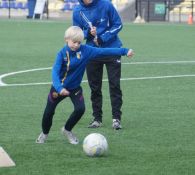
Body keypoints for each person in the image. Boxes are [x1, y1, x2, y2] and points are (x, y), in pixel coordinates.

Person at [36, 26, 133, 145]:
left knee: (80, 109)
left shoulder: (86, 50)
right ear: (66, 39)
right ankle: (44, 133)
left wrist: (124, 51)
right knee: (48, 112)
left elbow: (104, 51)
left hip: (75, 88)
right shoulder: (61, 54)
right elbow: (55, 72)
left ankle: (67, 130)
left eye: (79, 42)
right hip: (58, 88)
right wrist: (60, 88)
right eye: (74, 42)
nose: (76, 45)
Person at [72, 0, 125, 130]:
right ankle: (97, 119)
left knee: (114, 85)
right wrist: (87, 34)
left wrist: (103, 37)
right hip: (91, 52)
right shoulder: (77, 11)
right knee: (94, 87)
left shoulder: (106, 5)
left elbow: (118, 24)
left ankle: (116, 119)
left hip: (112, 49)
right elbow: (76, 34)